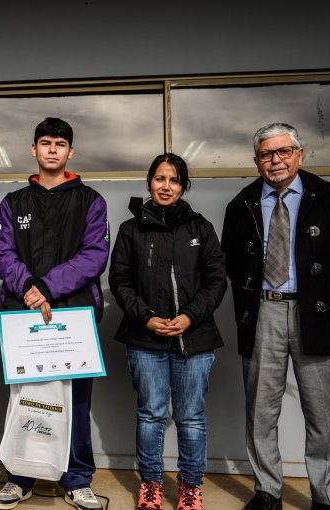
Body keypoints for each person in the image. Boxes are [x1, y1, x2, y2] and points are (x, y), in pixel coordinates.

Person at [221, 123, 330, 510]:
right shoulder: (242, 202)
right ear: (256, 161)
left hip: (315, 312)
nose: (275, 160)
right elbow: (231, 259)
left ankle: (328, 498)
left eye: (283, 152)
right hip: (263, 310)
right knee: (260, 410)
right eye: (266, 154)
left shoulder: (327, 198)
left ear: (300, 153)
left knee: (322, 413)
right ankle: (268, 492)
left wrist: (320, 290)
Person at [0, 117, 110, 510]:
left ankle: (77, 480)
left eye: (60, 144)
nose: (53, 149)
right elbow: (2, 253)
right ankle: (20, 478)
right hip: (23, 315)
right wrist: (28, 287)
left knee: (76, 402)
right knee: (25, 397)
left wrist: (47, 287)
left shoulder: (91, 200)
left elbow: (94, 255)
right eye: (46, 143)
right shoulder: (13, 202)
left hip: (73, 315)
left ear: (70, 152)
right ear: (34, 150)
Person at [108, 154, 227, 510]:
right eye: (159, 179)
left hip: (195, 337)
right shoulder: (132, 229)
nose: (166, 186)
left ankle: (191, 487)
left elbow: (216, 280)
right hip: (145, 338)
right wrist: (145, 317)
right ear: (148, 183)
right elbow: (120, 279)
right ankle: (151, 485)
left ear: (183, 186)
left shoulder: (201, 228)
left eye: (174, 180)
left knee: (191, 416)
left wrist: (190, 316)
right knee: (151, 413)